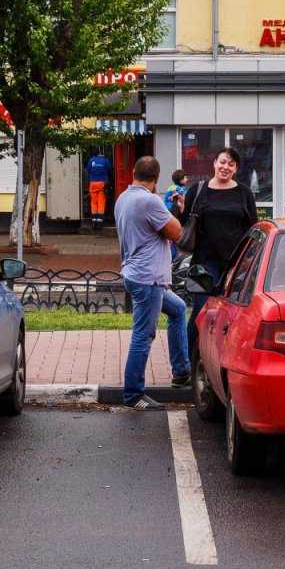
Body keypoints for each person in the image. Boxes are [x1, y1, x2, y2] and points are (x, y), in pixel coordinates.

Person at [114, 156, 189, 408]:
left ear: (134, 173)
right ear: (156, 179)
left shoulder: (123, 198)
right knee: (142, 335)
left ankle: (181, 371)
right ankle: (133, 394)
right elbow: (177, 232)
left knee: (178, 309)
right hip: (148, 279)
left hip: (135, 273)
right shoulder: (149, 201)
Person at [180, 147, 258, 356]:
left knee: (231, 317)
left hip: (236, 266)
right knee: (200, 314)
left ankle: (220, 360)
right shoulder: (197, 190)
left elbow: (253, 228)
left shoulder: (244, 193)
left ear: (236, 169)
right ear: (214, 163)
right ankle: (190, 362)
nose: (225, 167)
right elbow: (184, 223)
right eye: (222, 162)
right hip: (203, 264)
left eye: (231, 164)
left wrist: (248, 262)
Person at [86, 150, 113, 228]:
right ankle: (100, 223)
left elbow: (88, 169)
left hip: (93, 183)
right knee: (101, 202)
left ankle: (94, 222)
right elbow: (110, 169)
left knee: (94, 202)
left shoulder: (91, 160)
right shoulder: (105, 160)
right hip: (102, 183)